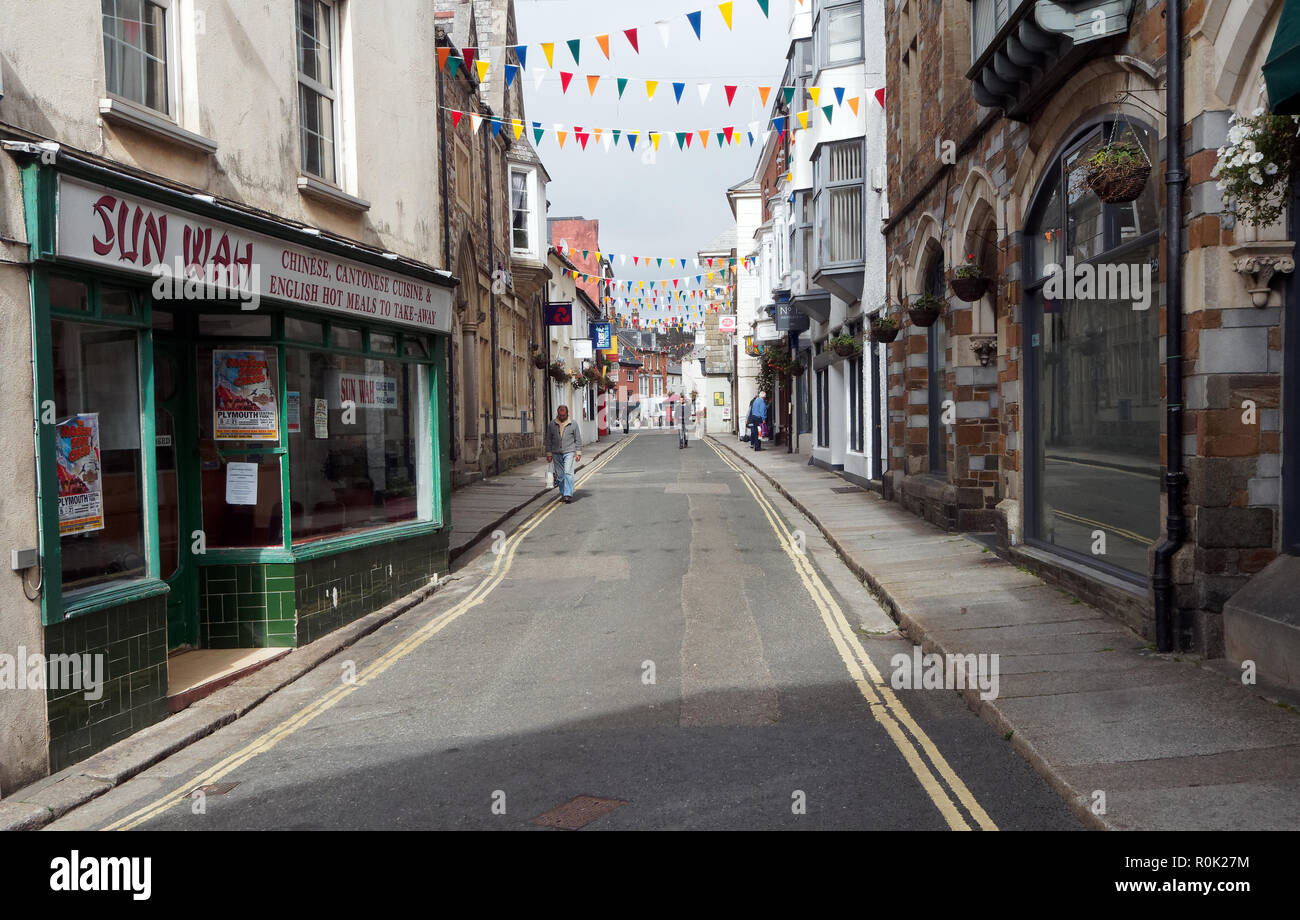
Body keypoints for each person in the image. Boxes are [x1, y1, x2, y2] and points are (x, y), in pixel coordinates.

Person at [545, 405, 583, 504]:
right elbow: (548, 440)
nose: (562, 417)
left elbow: (578, 439)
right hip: (556, 453)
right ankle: (563, 492)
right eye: (560, 415)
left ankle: (568, 494)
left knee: (568, 472)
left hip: (569, 452)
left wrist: (578, 452)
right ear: (558, 414)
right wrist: (548, 454)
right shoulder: (552, 424)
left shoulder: (573, 424)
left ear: (567, 413)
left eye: (564, 415)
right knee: (560, 475)